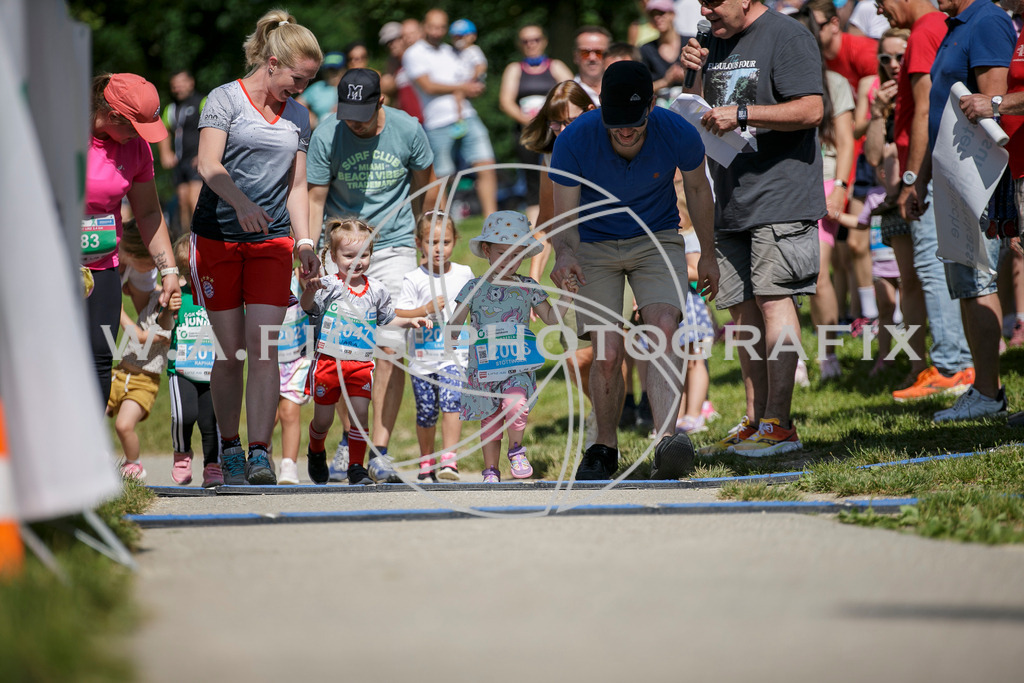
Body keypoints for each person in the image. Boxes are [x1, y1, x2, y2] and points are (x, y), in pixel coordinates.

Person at [548, 61, 718, 480]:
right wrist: (563, 254)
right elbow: (563, 215)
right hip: (593, 244)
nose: (624, 131)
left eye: (634, 122)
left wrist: (708, 253)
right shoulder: (574, 139)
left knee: (663, 328)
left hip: (656, 237)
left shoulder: (677, 131)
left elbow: (698, 188)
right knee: (606, 351)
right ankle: (603, 448)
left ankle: (667, 442)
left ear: (651, 106)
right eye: (616, 122)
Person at [682, 0, 825, 456]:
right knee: (741, 313)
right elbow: (700, 112)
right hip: (729, 196)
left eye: (714, 1)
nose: (706, 10)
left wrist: (743, 113)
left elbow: (811, 109)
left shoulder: (787, 35)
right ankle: (754, 419)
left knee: (773, 302)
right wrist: (694, 73)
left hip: (781, 195)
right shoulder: (712, 42)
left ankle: (779, 424)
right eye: (701, 2)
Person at [190, 10, 322, 486]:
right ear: (272, 62)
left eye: (309, 82)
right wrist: (241, 203)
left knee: (264, 348)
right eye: (296, 79)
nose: (300, 89)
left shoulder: (299, 116)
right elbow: (208, 164)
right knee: (230, 352)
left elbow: (297, 185)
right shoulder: (225, 98)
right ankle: (229, 447)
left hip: (271, 241)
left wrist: (304, 242)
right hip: (218, 237)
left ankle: (260, 453)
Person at [307, 67, 437, 480]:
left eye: (362, 115)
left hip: (393, 242)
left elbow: (426, 186)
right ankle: (352, 438)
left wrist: (425, 238)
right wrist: (309, 248)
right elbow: (315, 198)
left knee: (390, 345)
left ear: (381, 101)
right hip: (342, 246)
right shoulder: (327, 134)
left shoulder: (408, 129)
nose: (354, 123)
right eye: (347, 114)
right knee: (340, 346)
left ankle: (379, 449)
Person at [911, 0, 1014, 422]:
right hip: (952, 173)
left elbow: (994, 107)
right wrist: (920, 178)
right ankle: (983, 389)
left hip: (976, 174)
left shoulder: (986, 20)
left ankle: (988, 392)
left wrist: (982, 184)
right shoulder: (955, 25)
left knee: (977, 281)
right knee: (966, 285)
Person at [874, 0, 975, 402]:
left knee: (933, 269)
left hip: (929, 171)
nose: (879, 11)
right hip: (940, 167)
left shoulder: (922, 32)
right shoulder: (937, 26)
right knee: (942, 268)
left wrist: (913, 179)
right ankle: (957, 362)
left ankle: (951, 366)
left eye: (880, 2)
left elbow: (923, 111)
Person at [302, 218, 429, 485]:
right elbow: (308, 308)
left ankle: (356, 468)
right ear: (334, 256)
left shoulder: (377, 290)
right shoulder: (328, 285)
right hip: (328, 364)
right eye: (349, 256)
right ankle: (316, 450)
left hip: (360, 365)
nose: (356, 262)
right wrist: (309, 291)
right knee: (323, 420)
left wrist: (411, 321)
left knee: (360, 416)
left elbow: (387, 319)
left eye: (364, 255)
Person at [450, 211, 567, 483]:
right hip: (485, 369)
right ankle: (491, 470)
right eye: (502, 254)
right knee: (490, 420)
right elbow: (454, 323)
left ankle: (516, 450)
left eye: (516, 255)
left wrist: (566, 297)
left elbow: (552, 318)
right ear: (487, 251)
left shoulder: (528, 287)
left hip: (516, 367)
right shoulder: (474, 287)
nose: (509, 261)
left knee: (516, 405)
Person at [86, 73, 180, 408]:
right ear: (112, 115)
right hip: (50, 267)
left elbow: (150, 213)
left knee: (99, 359)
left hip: (102, 268)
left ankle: (88, 439)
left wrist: (168, 270)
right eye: (135, 128)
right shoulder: (63, 134)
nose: (140, 137)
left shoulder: (137, 149)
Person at [794, 6, 857, 381]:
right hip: (785, 186)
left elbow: (847, 143)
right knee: (784, 278)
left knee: (818, 275)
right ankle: (792, 359)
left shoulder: (834, 83)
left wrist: (841, 191)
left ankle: (828, 355)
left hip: (826, 183)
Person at [395, 212, 474, 481]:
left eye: (446, 242)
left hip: (455, 355)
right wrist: (424, 310)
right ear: (419, 243)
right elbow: (400, 314)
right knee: (427, 412)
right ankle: (426, 461)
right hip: (423, 358)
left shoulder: (464, 274)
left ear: (455, 241)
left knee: (453, 402)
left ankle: (449, 460)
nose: (439, 249)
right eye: (431, 242)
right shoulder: (414, 278)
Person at [403, 8, 498, 218]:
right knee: (441, 177)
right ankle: (443, 225)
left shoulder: (451, 51)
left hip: (466, 114)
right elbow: (427, 86)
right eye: (433, 27)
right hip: (437, 121)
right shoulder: (414, 53)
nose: (437, 32)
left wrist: (475, 84)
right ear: (424, 26)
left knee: (486, 164)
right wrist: (463, 87)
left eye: (441, 27)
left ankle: (492, 221)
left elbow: (470, 74)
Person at [108, 221, 181, 480]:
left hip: (143, 381)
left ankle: (133, 465)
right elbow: (142, 294)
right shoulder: (153, 297)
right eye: (151, 263)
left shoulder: (169, 323)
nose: (154, 269)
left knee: (123, 425)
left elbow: (142, 335)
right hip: (120, 373)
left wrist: (115, 307)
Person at [499, 25, 574, 226]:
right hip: (528, 134)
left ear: (544, 41)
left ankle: (564, 220)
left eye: (535, 40)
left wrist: (555, 120)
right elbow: (506, 102)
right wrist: (531, 122)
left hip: (556, 132)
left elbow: (573, 93)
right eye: (526, 41)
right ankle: (536, 229)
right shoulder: (514, 69)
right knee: (532, 182)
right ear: (519, 44)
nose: (531, 44)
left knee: (561, 176)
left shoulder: (556, 66)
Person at [166, 234, 221, 487]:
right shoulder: (177, 294)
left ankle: (213, 465)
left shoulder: (218, 294)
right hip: (181, 369)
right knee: (182, 416)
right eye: (186, 271)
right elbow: (164, 324)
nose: (192, 276)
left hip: (212, 370)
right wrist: (169, 310)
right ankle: (181, 454)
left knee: (211, 422)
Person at [274, 271, 313, 485]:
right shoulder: (265, 275)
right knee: (268, 416)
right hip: (269, 357)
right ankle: (263, 456)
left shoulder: (303, 276)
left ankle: (289, 464)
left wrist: (307, 277)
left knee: (289, 412)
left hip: (298, 357)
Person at [158, 70, 206, 238]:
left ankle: (201, 239)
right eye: (174, 86)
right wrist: (165, 152)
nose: (178, 88)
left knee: (194, 199)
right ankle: (187, 240)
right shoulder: (171, 109)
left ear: (191, 83)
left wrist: (204, 153)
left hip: (197, 160)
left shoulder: (202, 101)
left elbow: (213, 127)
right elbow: (164, 129)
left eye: (181, 84)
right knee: (182, 201)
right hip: (181, 162)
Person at [641, 0, 688, 107]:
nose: (657, 18)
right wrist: (665, 81)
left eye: (661, 13)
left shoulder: (690, 43)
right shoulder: (646, 50)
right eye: (652, 15)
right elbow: (640, 89)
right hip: (659, 109)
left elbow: (707, 79)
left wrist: (688, 77)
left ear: (672, 14)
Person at [379, 21, 424, 123]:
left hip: (426, 120)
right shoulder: (394, 67)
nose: (391, 45)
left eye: (394, 40)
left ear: (404, 37)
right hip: (408, 123)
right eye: (387, 43)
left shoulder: (419, 57)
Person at [296, 51, 345, 129]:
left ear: (343, 70)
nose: (330, 74)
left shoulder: (350, 87)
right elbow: (297, 103)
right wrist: (309, 117)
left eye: (334, 70)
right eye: (328, 70)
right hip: (322, 130)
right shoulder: (318, 87)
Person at [573, 26, 613, 106]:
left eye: (599, 52)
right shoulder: (566, 95)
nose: (592, 58)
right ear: (576, 56)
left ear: (609, 56)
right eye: (585, 52)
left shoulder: (623, 91)